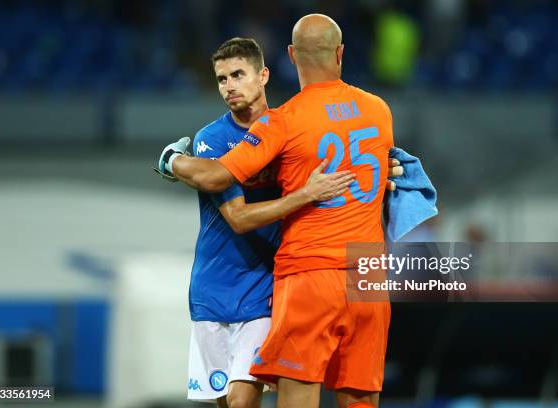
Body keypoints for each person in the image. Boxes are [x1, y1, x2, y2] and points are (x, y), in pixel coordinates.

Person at [159, 16, 403, 407]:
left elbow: (219, 175)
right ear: (341, 53)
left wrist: (171, 161)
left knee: (296, 397)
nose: (230, 86)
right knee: (361, 398)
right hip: (368, 277)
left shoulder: (283, 122)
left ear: (289, 57)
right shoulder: (379, 110)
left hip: (309, 276)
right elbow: (383, 165)